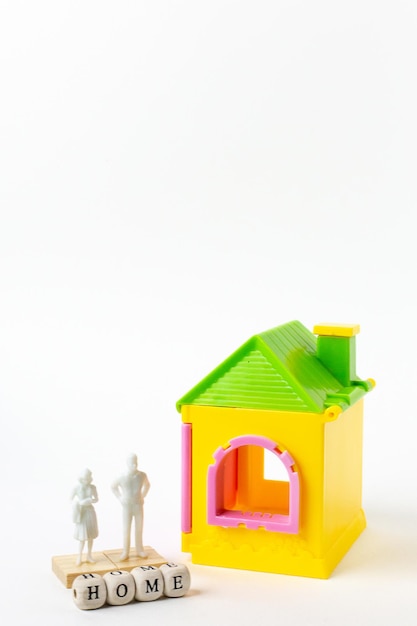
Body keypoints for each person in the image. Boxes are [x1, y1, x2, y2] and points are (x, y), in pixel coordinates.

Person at [111, 453, 150, 560]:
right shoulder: (121, 476)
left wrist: (143, 496)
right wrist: (120, 498)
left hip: (138, 504)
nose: (134, 464)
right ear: (127, 463)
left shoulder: (142, 475)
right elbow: (113, 487)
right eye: (131, 462)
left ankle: (139, 549)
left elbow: (147, 485)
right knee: (126, 529)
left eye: (135, 462)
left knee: (139, 528)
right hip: (127, 505)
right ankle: (125, 551)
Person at [71, 468, 99, 565]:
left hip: (90, 511)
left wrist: (91, 500)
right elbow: (70, 499)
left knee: (90, 536)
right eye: (84, 479)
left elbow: (96, 499)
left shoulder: (92, 487)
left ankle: (89, 555)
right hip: (81, 513)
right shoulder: (76, 488)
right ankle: (79, 556)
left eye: (88, 478)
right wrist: (80, 502)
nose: (86, 481)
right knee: (82, 537)